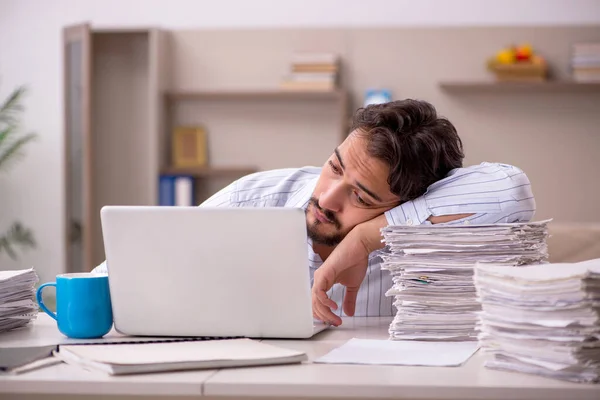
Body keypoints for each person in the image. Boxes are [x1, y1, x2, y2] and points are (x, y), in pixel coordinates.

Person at [93, 99, 535, 326]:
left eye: (361, 197)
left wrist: (368, 237)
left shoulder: (433, 225)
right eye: (335, 167)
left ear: (409, 202)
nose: (327, 198)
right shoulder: (257, 198)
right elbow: (110, 279)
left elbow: (510, 187)